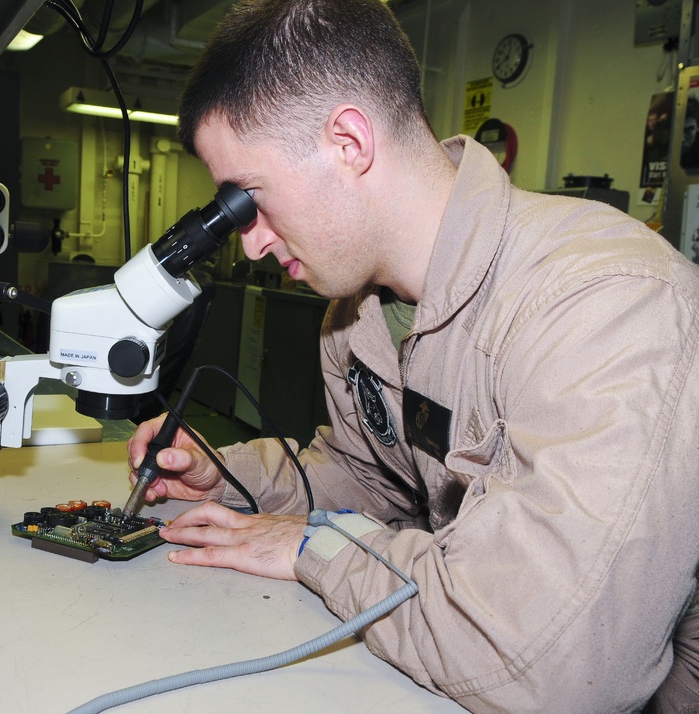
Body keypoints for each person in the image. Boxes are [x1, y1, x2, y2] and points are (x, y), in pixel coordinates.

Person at [126, 0, 699, 711]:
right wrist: (230, 478)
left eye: (252, 199)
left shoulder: (605, 301)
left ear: (348, 141)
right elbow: (371, 479)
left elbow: (548, 662)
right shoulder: (355, 319)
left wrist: (316, 551)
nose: (250, 241)